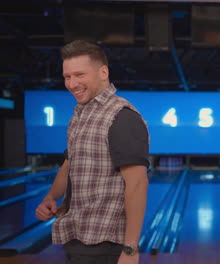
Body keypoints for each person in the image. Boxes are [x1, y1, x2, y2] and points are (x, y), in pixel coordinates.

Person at [35, 40, 149, 264]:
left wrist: (130, 250)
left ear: (103, 72)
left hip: (106, 245)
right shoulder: (79, 115)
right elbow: (70, 164)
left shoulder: (122, 116)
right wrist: (51, 197)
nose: (71, 83)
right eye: (67, 76)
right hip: (77, 237)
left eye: (79, 74)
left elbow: (137, 184)